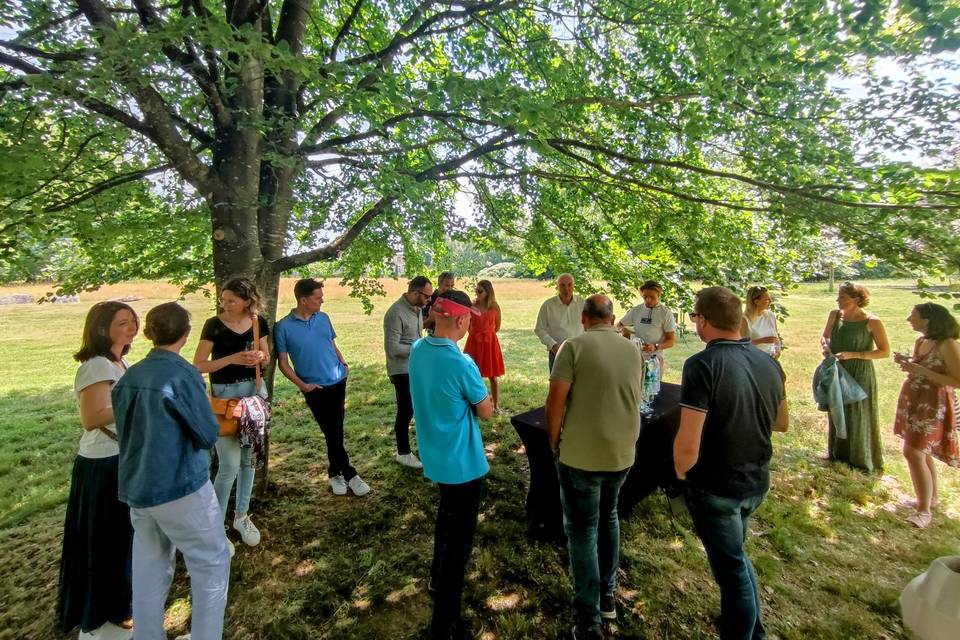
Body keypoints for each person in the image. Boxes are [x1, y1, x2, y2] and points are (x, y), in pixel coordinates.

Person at [112, 302, 231, 640]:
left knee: (150, 566)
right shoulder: (182, 375)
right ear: (186, 334)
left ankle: (147, 634)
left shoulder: (130, 375)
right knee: (212, 561)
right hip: (179, 486)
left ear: (149, 333)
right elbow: (207, 432)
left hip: (138, 487)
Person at [674, 287, 787, 640]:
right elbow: (782, 422)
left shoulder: (702, 364)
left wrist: (681, 475)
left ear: (702, 321)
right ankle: (756, 631)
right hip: (757, 479)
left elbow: (688, 442)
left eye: (695, 317)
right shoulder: (769, 362)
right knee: (737, 558)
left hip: (717, 486)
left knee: (731, 570)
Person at [545, 294, 643, 640]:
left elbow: (555, 401)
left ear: (584, 318)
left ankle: (588, 621)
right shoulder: (632, 348)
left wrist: (553, 441)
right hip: (621, 453)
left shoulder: (572, 347)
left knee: (584, 530)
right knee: (609, 517)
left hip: (581, 456)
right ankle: (607, 598)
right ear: (612, 318)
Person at [408, 290, 492, 640]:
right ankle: (445, 624)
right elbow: (485, 409)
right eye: (469, 321)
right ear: (459, 320)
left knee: (446, 517)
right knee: (459, 542)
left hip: (435, 456)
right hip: (464, 465)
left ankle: (434, 577)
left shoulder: (417, 349)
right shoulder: (461, 363)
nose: (469, 327)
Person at [58, 301, 139, 640]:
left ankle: (120, 602)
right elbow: (92, 418)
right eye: (123, 322)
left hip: (119, 456)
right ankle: (108, 609)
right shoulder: (95, 366)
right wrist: (135, 398)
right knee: (107, 539)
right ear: (102, 328)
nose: (131, 327)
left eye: (133, 321)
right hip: (102, 463)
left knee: (122, 536)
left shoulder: (119, 361)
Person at [275, 278, 370, 496]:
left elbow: (331, 344)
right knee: (332, 431)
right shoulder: (283, 327)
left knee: (335, 431)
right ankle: (350, 474)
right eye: (318, 298)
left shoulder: (324, 318)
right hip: (314, 388)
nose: (322, 301)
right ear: (303, 300)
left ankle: (334, 473)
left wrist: (343, 364)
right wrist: (303, 385)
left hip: (338, 381)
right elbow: (283, 363)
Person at [193, 277, 269, 547]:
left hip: (253, 394)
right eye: (223, 300)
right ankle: (215, 526)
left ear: (247, 302)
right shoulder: (213, 325)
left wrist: (260, 357)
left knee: (249, 461)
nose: (224, 304)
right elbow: (199, 365)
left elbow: (266, 356)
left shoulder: (259, 322)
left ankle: (241, 516)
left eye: (231, 301)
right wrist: (232, 359)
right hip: (224, 398)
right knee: (228, 465)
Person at [893, 303, 960, 528]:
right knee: (922, 451)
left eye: (913, 316)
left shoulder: (947, 345)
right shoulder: (921, 342)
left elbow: (957, 380)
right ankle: (931, 499)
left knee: (912, 452)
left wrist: (919, 370)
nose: (908, 319)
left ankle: (923, 512)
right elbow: (918, 368)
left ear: (928, 320)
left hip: (934, 403)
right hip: (914, 400)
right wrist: (907, 364)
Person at [820, 281, 890, 472]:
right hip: (837, 370)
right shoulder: (834, 315)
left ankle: (860, 459)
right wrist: (826, 346)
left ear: (857, 299)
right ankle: (837, 454)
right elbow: (825, 336)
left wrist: (854, 354)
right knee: (837, 408)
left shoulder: (872, 321)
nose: (838, 299)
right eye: (838, 296)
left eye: (842, 296)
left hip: (860, 372)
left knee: (858, 413)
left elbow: (884, 351)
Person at [383, 275, 433, 468]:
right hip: (401, 371)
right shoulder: (395, 313)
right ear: (414, 293)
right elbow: (393, 350)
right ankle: (402, 452)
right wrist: (420, 347)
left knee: (418, 407)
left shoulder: (418, 309)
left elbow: (415, 337)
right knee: (405, 410)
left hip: (415, 366)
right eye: (427, 296)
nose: (429, 300)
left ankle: (420, 446)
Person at [463, 279, 506, 413]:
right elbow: (468, 325)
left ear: (488, 292)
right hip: (474, 342)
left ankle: (495, 405)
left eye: (480, 291)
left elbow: (497, 326)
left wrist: (488, 333)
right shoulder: (472, 306)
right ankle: (475, 404)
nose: (477, 293)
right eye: (476, 290)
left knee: (493, 376)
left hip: (490, 343)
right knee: (473, 373)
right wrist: (476, 334)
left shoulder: (494, 307)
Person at [617, 280, 676, 371]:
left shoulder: (665, 313)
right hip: (635, 358)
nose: (648, 300)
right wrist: (623, 332)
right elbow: (619, 325)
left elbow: (670, 341)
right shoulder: (636, 310)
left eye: (652, 297)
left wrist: (655, 346)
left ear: (659, 296)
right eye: (645, 297)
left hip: (655, 360)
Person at [534, 273, 585, 372]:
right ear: (557, 286)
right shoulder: (548, 305)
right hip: (557, 353)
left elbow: (590, 327)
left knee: (579, 386)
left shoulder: (582, 304)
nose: (566, 289)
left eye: (569, 285)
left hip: (579, 353)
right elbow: (539, 329)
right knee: (558, 386)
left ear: (574, 286)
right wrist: (553, 345)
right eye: (562, 285)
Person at [740, 286, 781, 357]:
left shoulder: (770, 315)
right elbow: (739, 345)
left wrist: (777, 350)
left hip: (770, 358)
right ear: (756, 301)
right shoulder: (744, 320)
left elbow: (776, 339)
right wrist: (761, 341)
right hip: (752, 358)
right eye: (767, 299)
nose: (770, 301)